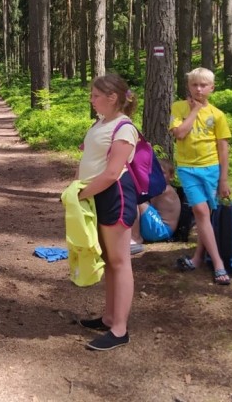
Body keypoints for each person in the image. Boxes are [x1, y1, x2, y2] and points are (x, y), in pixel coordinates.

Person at [75, 74, 138, 351]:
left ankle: (120, 329)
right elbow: (88, 160)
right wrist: (78, 188)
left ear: (112, 98)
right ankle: (109, 317)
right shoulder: (101, 123)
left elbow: (112, 173)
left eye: (95, 95)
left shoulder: (125, 128)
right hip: (96, 195)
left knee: (120, 261)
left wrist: (80, 194)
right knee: (110, 261)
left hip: (115, 196)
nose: (91, 99)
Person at [170, 67, 232, 285]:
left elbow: (223, 148)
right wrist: (194, 111)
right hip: (188, 169)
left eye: (203, 85)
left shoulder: (218, 115)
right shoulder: (178, 107)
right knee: (200, 211)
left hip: (211, 169)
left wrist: (224, 179)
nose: (198, 89)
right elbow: (179, 133)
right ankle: (218, 263)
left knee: (206, 215)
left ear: (211, 88)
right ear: (188, 86)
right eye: (194, 85)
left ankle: (198, 257)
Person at [131, 158, 182, 244]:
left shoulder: (166, 190)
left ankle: (135, 237)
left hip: (163, 230)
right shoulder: (159, 187)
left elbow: (140, 191)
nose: (158, 175)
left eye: (162, 173)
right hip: (157, 226)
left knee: (135, 200)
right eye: (155, 172)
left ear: (171, 176)